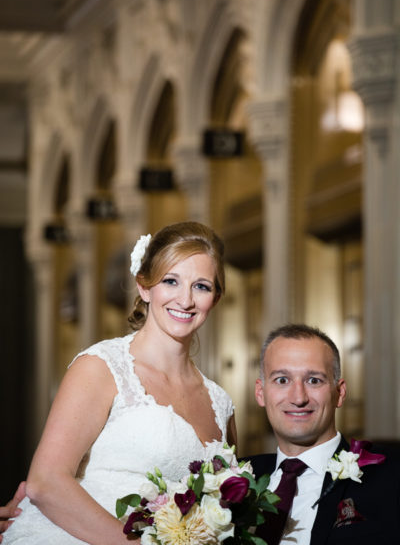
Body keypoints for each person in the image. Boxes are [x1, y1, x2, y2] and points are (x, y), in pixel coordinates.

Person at [2, 221, 237, 545]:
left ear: (216, 297)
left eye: (201, 286)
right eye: (171, 281)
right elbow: (45, 482)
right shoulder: (101, 369)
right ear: (144, 286)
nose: (185, 300)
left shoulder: (221, 403)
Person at [250, 323, 400, 545]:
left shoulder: (391, 475)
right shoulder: (232, 479)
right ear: (261, 393)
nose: (298, 397)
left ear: (339, 393)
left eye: (314, 380)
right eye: (282, 380)